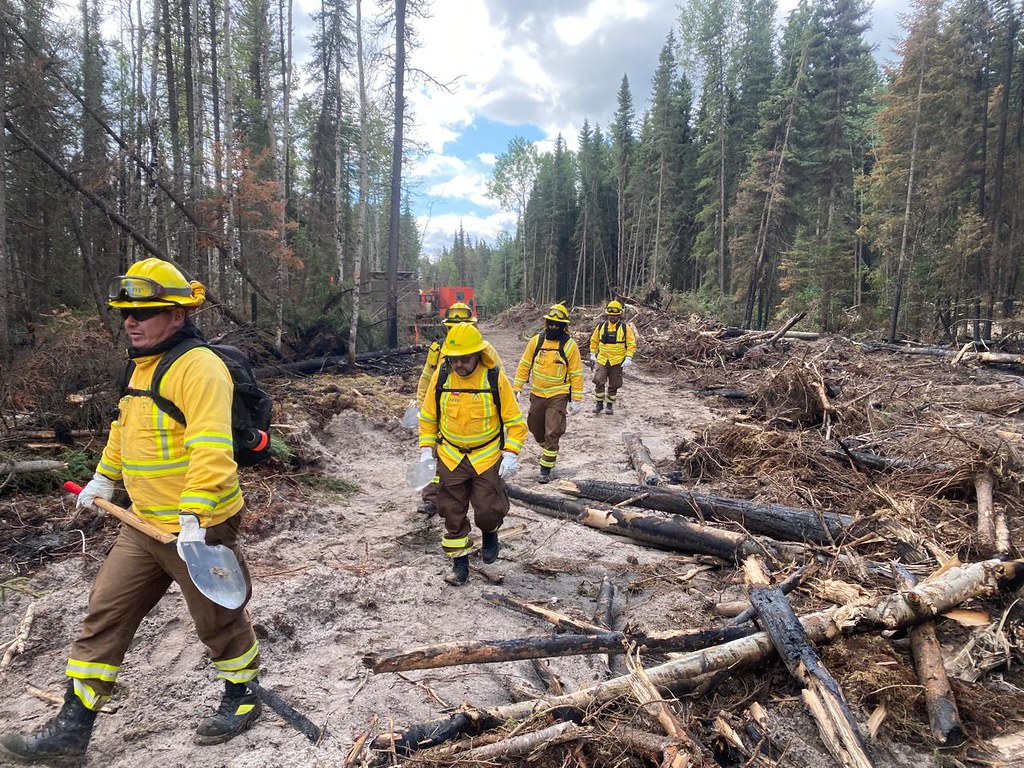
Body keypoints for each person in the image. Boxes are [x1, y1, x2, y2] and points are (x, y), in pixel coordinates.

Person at [0, 259, 262, 763]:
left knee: (218, 618)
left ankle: (242, 696)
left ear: (178, 316)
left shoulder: (200, 367)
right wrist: (105, 477)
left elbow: (212, 447)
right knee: (105, 613)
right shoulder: (140, 365)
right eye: (126, 312)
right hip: (142, 524)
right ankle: (72, 728)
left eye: (144, 312)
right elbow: (126, 428)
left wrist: (196, 516)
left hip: (198, 526)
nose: (130, 321)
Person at [418, 322, 527, 586]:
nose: (459, 365)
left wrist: (511, 453)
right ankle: (460, 564)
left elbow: (514, 422)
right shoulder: (442, 376)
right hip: (451, 457)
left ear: (478, 354)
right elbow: (429, 416)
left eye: (465, 359)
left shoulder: (493, 377)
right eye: (454, 360)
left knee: (488, 510)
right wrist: (425, 450)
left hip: (486, 458)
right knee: (451, 511)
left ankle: (490, 532)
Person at [414, 303, 502, 517]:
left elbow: (498, 381)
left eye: (461, 325)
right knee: (435, 456)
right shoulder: (438, 349)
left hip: (472, 412)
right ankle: (431, 499)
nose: (456, 329)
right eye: (452, 326)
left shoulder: (484, 349)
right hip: (443, 407)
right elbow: (428, 376)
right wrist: (420, 404)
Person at [512, 303, 585, 483]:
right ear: (546, 323)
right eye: (550, 323)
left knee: (552, 430)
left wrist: (576, 399)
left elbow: (576, 373)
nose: (553, 326)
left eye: (557, 324)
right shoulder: (536, 342)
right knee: (534, 427)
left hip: (558, 395)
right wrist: (517, 387)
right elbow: (524, 364)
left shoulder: (569, 346)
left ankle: (546, 469)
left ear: (564, 326)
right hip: (537, 393)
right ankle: (548, 449)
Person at [589, 300, 637, 415]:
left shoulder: (625, 328)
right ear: (607, 314)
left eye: (615, 315)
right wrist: (592, 354)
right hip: (602, 359)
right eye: (611, 315)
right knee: (599, 380)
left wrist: (628, 357)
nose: (613, 317)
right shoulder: (601, 326)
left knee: (614, 383)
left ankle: (609, 405)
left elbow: (631, 343)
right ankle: (599, 403)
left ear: (619, 315)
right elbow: (594, 341)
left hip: (617, 361)